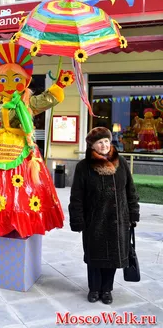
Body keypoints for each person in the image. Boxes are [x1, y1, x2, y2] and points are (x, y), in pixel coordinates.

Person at [0, 43, 75, 238]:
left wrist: (59, 86)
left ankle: (19, 219)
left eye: (16, 79)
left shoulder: (28, 103)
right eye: (3, 80)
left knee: (21, 190)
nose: (10, 84)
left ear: (26, 81)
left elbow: (47, 99)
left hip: (21, 147)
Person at [69, 127, 140, 305]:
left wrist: (133, 213)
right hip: (95, 221)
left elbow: (131, 190)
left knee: (114, 257)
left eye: (106, 141)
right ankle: (94, 288)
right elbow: (76, 196)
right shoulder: (83, 167)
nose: (104, 145)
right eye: (100, 142)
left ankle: (107, 289)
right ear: (92, 145)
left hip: (118, 220)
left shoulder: (121, 162)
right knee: (95, 257)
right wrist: (78, 219)